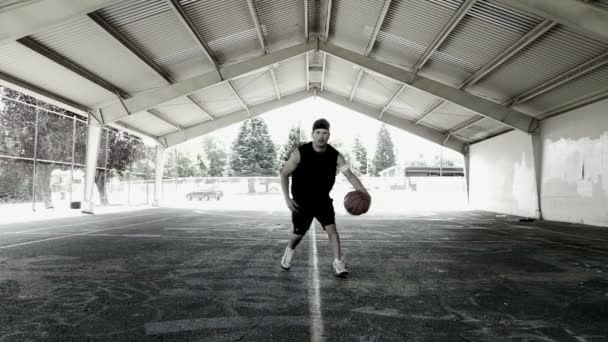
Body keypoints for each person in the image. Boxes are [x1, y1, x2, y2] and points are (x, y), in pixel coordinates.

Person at [279, 118, 370, 276]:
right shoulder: (300, 153)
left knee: (332, 231)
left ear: (329, 135)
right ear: (312, 134)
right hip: (301, 201)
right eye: (318, 133)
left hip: (322, 200)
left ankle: (338, 263)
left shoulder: (335, 156)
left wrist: (364, 192)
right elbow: (284, 174)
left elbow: (350, 175)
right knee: (298, 235)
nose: (321, 136)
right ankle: (289, 249)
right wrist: (287, 198)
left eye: (325, 133)